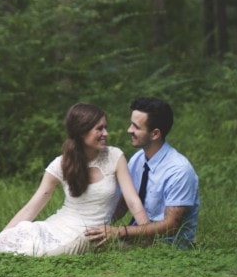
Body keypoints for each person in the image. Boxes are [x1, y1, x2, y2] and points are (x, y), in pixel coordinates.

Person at [0, 102, 149, 256]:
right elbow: (31, 208)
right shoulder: (61, 164)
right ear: (82, 131)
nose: (106, 133)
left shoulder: (115, 156)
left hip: (91, 235)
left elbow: (133, 201)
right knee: (27, 231)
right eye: (99, 129)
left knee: (77, 244)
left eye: (105, 127)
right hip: (58, 227)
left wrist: (148, 232)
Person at [85, 97, 200, 249]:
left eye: (136, 127)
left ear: (155, 134)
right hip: (137, 237)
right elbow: (125, 202)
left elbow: (171, 226)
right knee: (85, 238)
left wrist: (119, 232)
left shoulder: (179, 171)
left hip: (165, 245)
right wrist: (99, 225)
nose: (129, 130)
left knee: (88, 247)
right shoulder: (138, 159)